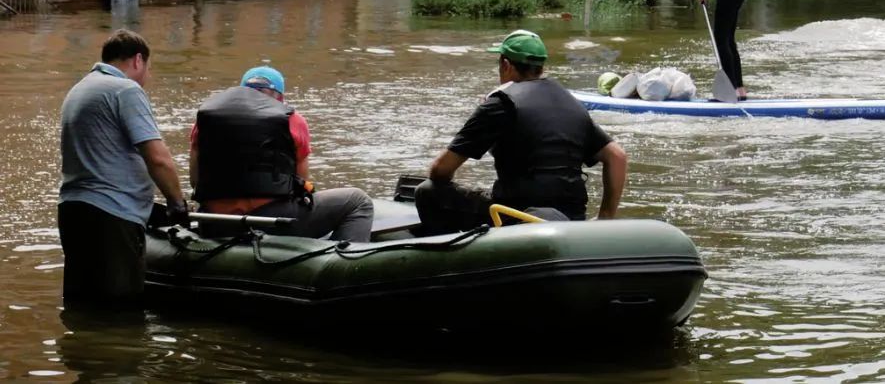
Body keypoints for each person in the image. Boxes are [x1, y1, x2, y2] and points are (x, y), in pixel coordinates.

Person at [415, 30, 628, 234]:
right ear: (541, 67)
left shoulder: (500, 103)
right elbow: (617, 157)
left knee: (428, 192)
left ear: (506, 65)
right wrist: (605, 217)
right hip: (571, 217)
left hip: (518, 216)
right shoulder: (571, 102)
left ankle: (455, 260)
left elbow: (440, 171)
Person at [58, 29, 188, 306]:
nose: (148, 77)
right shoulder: (126, 89)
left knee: (82, 304)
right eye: (149, 68)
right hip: (112, 216)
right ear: (138, 60)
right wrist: (177, 203)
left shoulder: (79, 88)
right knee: (120, 310)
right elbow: (157, 157)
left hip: (73, 210)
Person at [189, 66, 374, 242]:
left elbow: (194, 180)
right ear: (279, 97)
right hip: (274, 221)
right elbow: (300, 182)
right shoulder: (292, 120)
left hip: (214, 220)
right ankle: (344, 262)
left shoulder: (206, 119)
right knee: (358, 201)